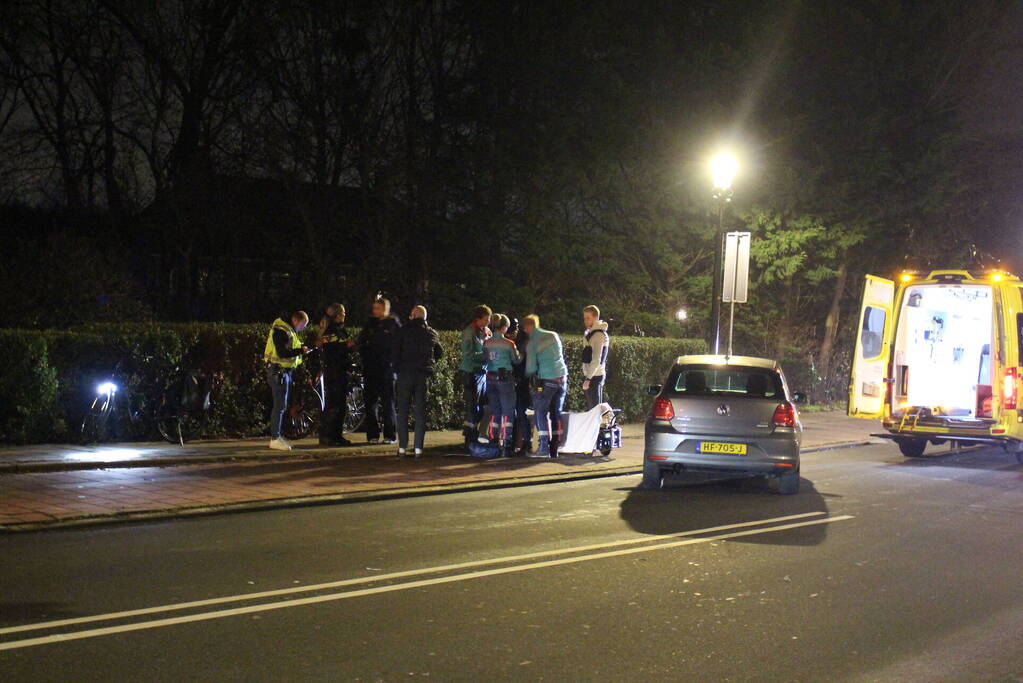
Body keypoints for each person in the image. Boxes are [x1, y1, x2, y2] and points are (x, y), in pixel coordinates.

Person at [392, 305, 444, 457]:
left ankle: (402, 448)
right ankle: (418, 449)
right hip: (422, 376)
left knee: (403, 411)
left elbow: (395, 352)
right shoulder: (431, 333)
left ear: (413, 316)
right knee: (420, 412)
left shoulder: (403, 331)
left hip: (405, 374)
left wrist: (397, 368)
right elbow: (439, 352)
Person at [263, 310, 313, 450]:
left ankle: (277, 436)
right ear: (295, 320)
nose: (303, 328)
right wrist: (301, 351)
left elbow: (290, 349)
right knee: (279, 406)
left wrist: (302, 348)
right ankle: (275, 438)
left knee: (281, 405)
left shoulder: (289, 330)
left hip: (283, 372)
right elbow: (282, 353)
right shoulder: (282, 330)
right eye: (303, 325)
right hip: (278, 372)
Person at [356, 297, 401, 444]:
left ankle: (390, 435)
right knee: (371, 404)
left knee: (388, 404)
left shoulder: (393, 324)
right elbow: (361, 342)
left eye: (377, 308)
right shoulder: (370, 324)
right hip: (371, 369)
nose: (374, 311)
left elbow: (398, 345)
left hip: (387, 370)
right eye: (374, 308)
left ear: (385, 309)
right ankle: (373, 435)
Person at [523, 314, 568, 458]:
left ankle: (543, 447)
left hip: (546, 380)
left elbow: (530, 368)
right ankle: (555, 447)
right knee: (556, 412)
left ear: (528, 327)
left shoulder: (532, 343)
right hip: (562, 377)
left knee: (540, 412)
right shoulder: (553, 335)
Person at [316, 303, 355, 446]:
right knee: (334, 405)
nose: (345, 315)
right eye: (343, 313)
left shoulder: (339, 328)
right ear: (337, 315)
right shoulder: (332, 330)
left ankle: (336, 436)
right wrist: (347, 347)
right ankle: (328, 436)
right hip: (334, 371)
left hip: (339, 370)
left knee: (339, 405)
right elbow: (331, 351)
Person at [483, 314, 520, 457]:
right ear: (504, 327)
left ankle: (493, 441)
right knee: (507, 413)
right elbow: (516, 360)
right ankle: (505, 444)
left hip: (490, 378)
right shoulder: (509, 343)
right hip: (505, 378)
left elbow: (484, 358)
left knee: (495, 412)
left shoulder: (487, 343)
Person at [459, 304, 492, 449]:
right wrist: (486, 356)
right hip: (471, 372)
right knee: (473, 406)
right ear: (478, 319)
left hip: (483, 373)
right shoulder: (469, 332)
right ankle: (469, 439)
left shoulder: (487, 331)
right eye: (486, 319)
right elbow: (468, 354)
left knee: (482, 407)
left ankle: (473, 435)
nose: (488, 321)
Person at [509, 317, 533, 456]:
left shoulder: (522, 342)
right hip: (520, 381)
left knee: (519, 411)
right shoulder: (521, 341)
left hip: (521, 382)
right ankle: (520, 442)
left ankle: (525, 442)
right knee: (516, 412)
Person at [581, 304, 611, 410]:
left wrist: (588, 378)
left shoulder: (598, 335)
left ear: (596, 317)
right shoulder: (592, 333)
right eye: (584, 318)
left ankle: (604, 421)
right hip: (593, 375)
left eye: (588, 318)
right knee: (595, 410)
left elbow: (597, 359)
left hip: (595, 376)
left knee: (595, 410)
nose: (585, 321)